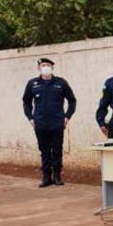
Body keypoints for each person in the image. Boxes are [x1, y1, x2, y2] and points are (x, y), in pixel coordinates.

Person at [22, 58, 77, 187]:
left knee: (57, 150)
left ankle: (57, 175)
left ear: (52, 67)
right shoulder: (32, 84)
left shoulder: (61, 83)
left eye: (48, 65)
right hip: (40, 123)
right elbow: (26, 102)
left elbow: (72, 100)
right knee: (44, 150)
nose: (45, 67)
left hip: (57, 122)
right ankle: (46, 176)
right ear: (39, 68)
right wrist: (30, 118)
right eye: (43, 65)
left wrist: (67, 117)